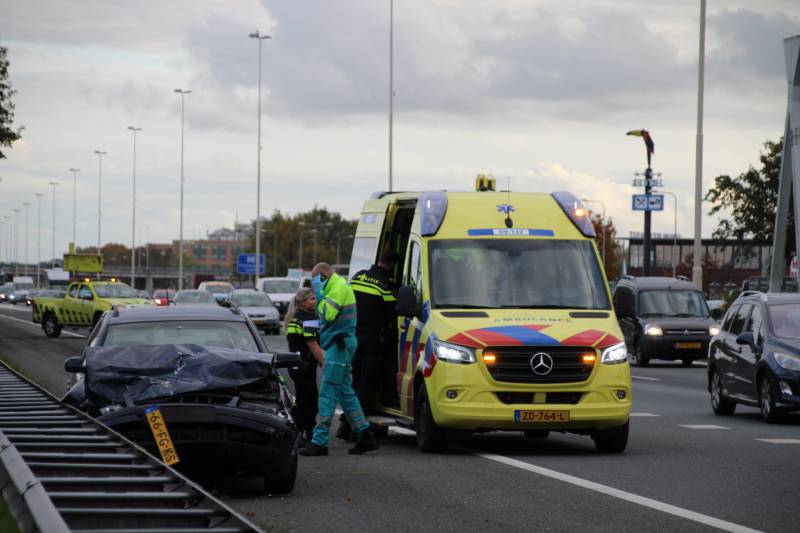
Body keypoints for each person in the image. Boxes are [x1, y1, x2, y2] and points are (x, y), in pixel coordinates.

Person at [299, 263, 378, 456]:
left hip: (339, 345)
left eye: (316, 279)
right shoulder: (334, 288)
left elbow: (328, 313)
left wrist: (318, 294)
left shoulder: (338, 288)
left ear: (323, 276)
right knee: (345, 393)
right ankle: (365, 434)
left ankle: (319, 442)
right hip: (339, 343)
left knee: (327, 392)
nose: (315, 284)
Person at [338, 248, 399, 440]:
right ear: (392, 265)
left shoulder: (358, 277)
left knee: (353, 382)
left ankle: (343, 427)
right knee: (367, 385)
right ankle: (356, 430)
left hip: (352, 335)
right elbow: (393, 317)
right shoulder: (385, 285)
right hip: (372, 339)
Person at [284, 287, 324, 444]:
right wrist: (323, 362)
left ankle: (303, 432)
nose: (315, 301)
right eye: (312, 299)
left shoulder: (295, 317)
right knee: (309, 401)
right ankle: (301, 433)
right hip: (305, 365)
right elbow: (312, 343)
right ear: (302, 302)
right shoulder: (309, 318)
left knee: (303, 399)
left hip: (296, 364)